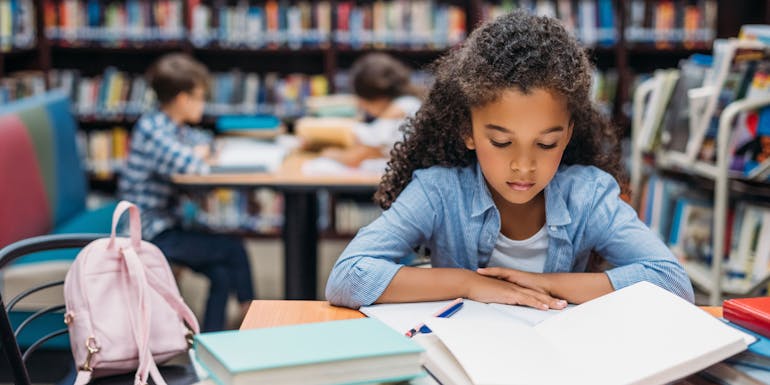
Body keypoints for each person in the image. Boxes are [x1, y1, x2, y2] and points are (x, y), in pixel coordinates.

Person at [325, 11, 694, 310]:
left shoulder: (589, 195)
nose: (523, 165)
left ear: (567, 134)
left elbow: (672, 283)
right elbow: (347, 277)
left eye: (546, 144)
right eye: (501, 142)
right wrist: (468, 283)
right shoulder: (439, 191)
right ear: (467, 131)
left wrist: (546, 284)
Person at [118, 53, 255, 331]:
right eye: (200, 97)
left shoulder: (173, 126)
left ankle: (213, 340)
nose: (203, 104)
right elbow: (194, 167)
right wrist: (202, 154)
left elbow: (207, 144)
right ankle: (250, 314)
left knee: (221, 273)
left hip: (171, 223)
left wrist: (204, 151)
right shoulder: (152, 129)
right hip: (149, 232)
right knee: (233, 249)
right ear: (183, 99)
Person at [320, 53, 422, 167]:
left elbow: (361, 154)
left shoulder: (402, 107)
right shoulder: (410, 102)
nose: (362, 106)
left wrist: (334, 154)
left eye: (363, 101)